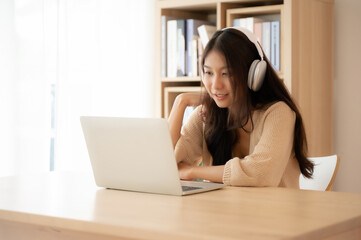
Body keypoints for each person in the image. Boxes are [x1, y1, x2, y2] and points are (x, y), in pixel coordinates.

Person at [167, 27, 314, 188]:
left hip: (273, 211)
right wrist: (180, 103)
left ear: (254, 74)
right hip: (223, 211)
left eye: (227, 74)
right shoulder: (207, 114)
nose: (215, 85)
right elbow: (166, 163)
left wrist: (192, 172)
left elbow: (260, 174)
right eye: (209, 73)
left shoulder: (279, 113)